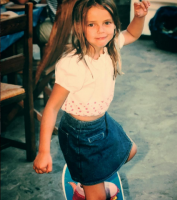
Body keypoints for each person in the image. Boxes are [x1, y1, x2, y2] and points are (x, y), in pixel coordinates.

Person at [33, 0, 150, 199]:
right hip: (80, 134)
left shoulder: (110, 46)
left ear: (115, 24)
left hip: (102, 121)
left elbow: (132, 34)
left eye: (107, 22)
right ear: (80, 26)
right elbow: (52, 108)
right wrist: (44, 151)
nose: (100, 30)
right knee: (96, 197)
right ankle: (85, 187)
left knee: (130, 151)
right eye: (91, 24)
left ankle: (86, 178)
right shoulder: (73, 65)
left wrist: (139, 17)